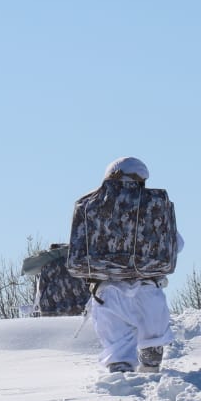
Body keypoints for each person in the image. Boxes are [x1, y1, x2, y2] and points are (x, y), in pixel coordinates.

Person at [81, 157, 182, 374]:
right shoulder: (154, 204)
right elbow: (176, 244)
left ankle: (122, 386)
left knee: (118, 348)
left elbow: (80, 247)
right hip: (147, 287)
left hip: (106, 289)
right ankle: (151, 370)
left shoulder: (91, 204)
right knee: (153, 340)